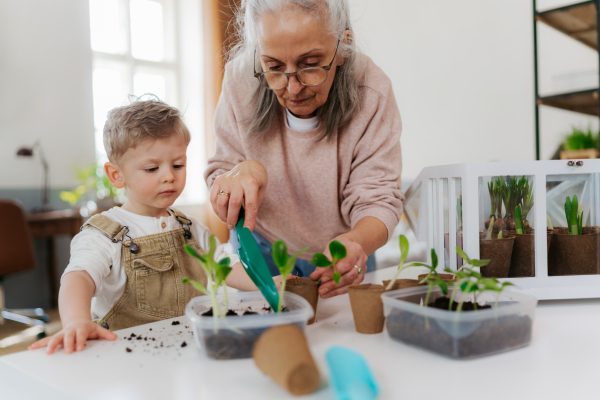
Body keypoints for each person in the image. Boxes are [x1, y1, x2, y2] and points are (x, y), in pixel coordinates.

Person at [30, 98, 278, 355]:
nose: (169, 175)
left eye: (178, 165)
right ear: (116, 175)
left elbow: (225, 267)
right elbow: (78, 277)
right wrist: (77, 321)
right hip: (126, 354)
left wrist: (271, 284)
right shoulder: (104, 234)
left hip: (190, 349)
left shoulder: (189, 227)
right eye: (152, 168)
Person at [205, 0, 404, 299]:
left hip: (344, 248)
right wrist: (227, 189)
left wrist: (356, 244)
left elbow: (378, 200)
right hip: (261, 243)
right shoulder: (240, 80)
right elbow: (220, 173)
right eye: (273, 67)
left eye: (310, 64)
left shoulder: (371, 91)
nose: (293, 88)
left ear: (343, 42)